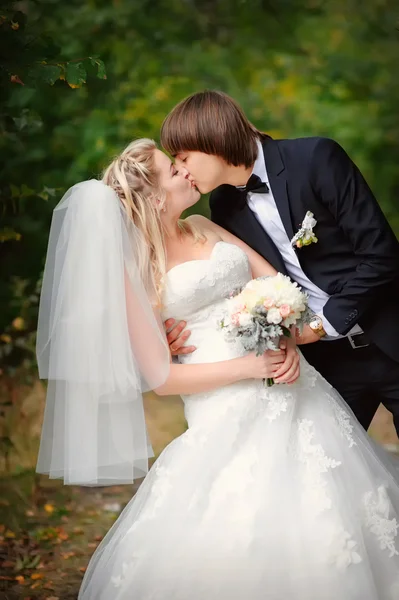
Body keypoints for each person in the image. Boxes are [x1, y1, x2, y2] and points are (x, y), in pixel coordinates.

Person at [37, 139, 399, 600]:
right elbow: (162, 378)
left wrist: (283, 336)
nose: (186, 173)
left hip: (291, 380)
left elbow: (275, 283)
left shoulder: (205, 223)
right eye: (173, 170)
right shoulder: (137, 273)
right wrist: (249, 367)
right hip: (224, 400)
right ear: (151, 197)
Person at [160, 89, 399, 436]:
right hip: (324, 368)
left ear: (213, 138)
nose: (182, 171)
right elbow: (235, 289)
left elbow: (382, 254)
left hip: (389, 336)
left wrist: (319, 327)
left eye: (183, 157)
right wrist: (169, 336)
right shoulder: (224, 207)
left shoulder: (316, 157)